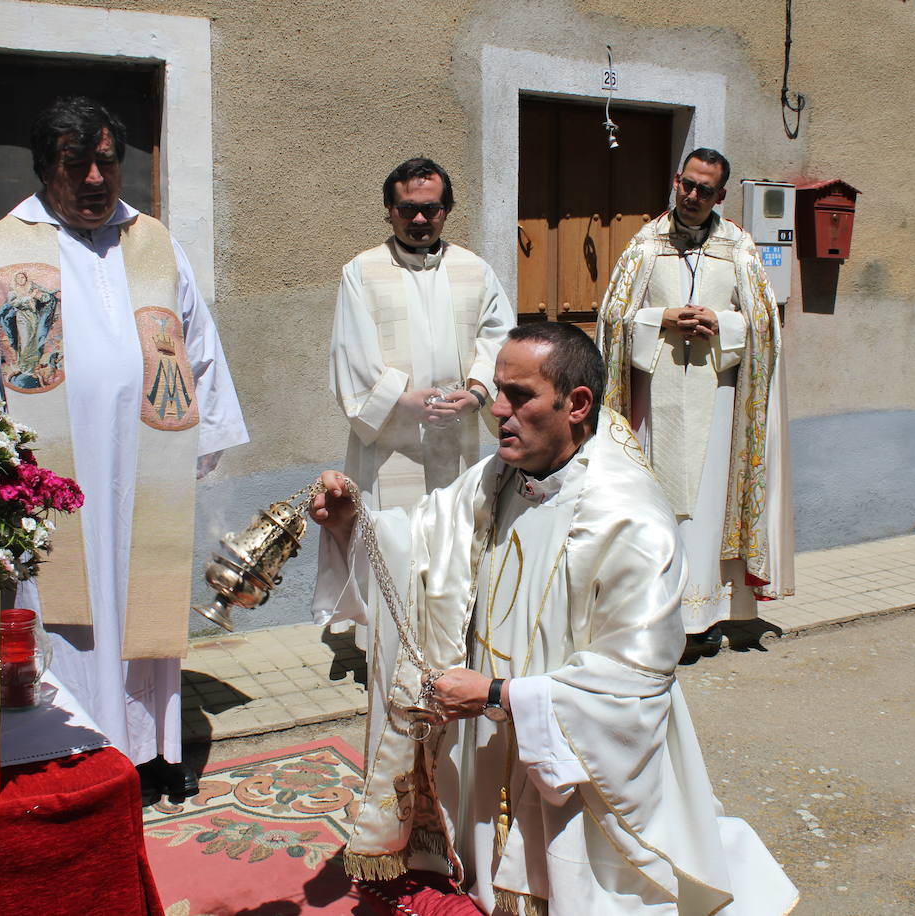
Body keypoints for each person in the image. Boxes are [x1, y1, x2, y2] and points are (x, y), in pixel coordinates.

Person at [311, 323, 798, 914]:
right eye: (497, 391)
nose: (497, 411)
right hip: (490, 736)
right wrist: (351, 520)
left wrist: (498, 693)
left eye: (519, 396)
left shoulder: (626, 519)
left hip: (570, 764)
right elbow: (420, 543)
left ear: (577, 405)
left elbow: (635, 679)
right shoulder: (499, 476)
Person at [0, 96, 248, 802]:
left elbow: (196, 344)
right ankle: (80, 753)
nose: (93, 180)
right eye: (74, 165)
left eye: (105, 163)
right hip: (56, 479)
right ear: (44, 169)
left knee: (148, 615)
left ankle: (153, 751)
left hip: (149, 470)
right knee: (69, 623)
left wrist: (200, 443)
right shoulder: (1, 251)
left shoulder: (153, 242)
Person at [315, 157, 514, 653]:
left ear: (446, 210)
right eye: (408, 209)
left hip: (460, 439)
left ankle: (455, 641)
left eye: (431, 209)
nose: (420, 219)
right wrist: (401, 399)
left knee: (458, 541)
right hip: (391, 444)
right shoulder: (361, 271)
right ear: (389, 211)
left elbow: (500, 339)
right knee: (393, 541)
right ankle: (391, 644)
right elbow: (349, 353)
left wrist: (477, 393)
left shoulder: (475, 269)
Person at [597, 148, 793, 650]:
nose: (692, 196)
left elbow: (765, 324)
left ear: (721, 196)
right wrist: (659, 319)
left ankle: (704, 618)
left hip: (720, 403)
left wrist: (722, 323)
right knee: (658, 504)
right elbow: (613, 319)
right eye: (687, 184)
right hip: (651, 406)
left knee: (706, 508)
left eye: (705, 190)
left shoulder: (739, 249)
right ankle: (655, 615)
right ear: (675, 180)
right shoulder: (644, 246)